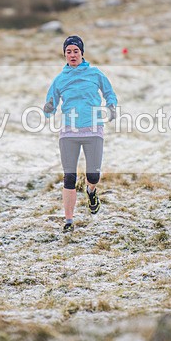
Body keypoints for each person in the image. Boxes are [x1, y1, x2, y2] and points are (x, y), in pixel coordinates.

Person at [43, 36, 118, 233]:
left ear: (82, 53)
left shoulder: (95, 73)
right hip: (69, 132)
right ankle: (68, 220)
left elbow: (109, 92)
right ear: (65, 55)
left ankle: (91, 191)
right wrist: (49, 107)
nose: (72, 55)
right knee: (69, 177)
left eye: (76, 51)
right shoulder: (60, 80)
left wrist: (111, 106)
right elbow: (50, 106)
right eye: (69, 51)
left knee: (93, 175)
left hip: (93, 129)